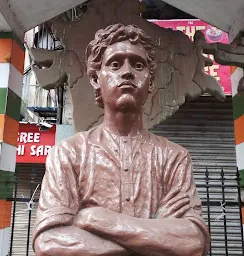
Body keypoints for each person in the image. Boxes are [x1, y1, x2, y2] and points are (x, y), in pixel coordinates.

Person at [33, 24, 210, 256]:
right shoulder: (69, 153)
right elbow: (49, 243)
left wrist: (97, 218)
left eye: (138, 65)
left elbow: (193, 242)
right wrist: (155, 238)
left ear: (150, 81)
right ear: (96, 78)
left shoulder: (174, 157)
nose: (127, 72)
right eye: (115, 64)